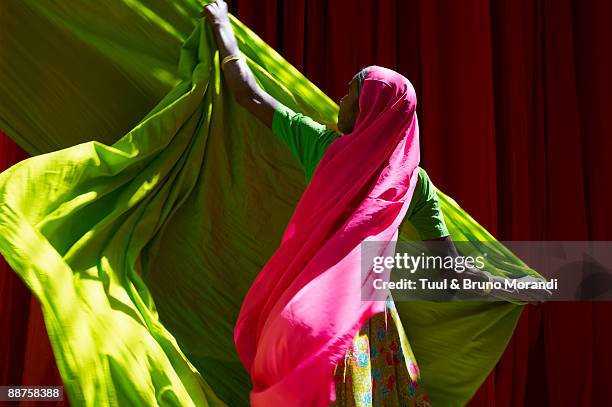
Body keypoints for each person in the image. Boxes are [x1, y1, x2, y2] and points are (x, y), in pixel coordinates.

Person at [202, 1, 546, 405]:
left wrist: (222, 25)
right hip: (366, 333)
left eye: (351, 94)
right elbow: (450, 273)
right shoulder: (412, 183)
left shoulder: (327, 150)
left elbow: (250, 96)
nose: (341, 101)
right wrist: (509, 287)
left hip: (308, 321)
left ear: (370, 109)